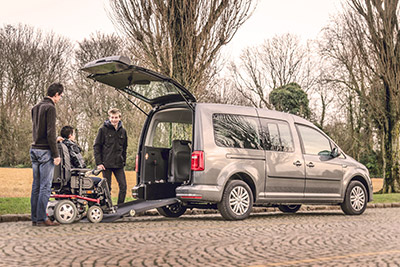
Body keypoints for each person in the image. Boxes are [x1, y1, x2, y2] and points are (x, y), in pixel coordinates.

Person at [30, 83, 64, 227]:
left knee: (36, 186)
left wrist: (52, 139)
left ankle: (35, 218)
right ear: (56, 94)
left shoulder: (36, 107)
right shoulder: (50, 108)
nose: (60, 98)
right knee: (45, 186)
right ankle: (43, 218)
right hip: (45, 152)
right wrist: (56, 154)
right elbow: (50, 132)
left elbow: (39, 131)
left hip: (34, 149)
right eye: (60, 95)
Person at [94, 108, 128, 204]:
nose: (114, 119)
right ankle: (107, 207)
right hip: (106, 164)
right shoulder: (103, 130)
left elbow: (124, 147)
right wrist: (99, 163)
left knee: (123, 186)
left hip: (119, 164)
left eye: (116, 117)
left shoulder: (123, 131)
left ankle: (120, 207)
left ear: (119, 118)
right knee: (107, 188)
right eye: (112, 117)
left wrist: (123, 161)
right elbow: (97, 146)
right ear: (109, 118)